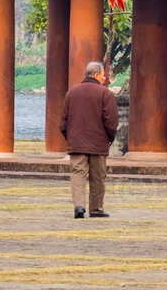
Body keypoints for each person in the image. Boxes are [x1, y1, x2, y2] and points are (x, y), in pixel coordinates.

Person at [59, 59, 119, 219]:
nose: (105, 78)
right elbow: (111, 120)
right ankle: (96, 208)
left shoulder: (72, 92)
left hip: (76, 143)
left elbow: (63, 121)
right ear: (96, 74)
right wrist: (109, 138)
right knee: (98, 177)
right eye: (103, 75)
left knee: (78, 174)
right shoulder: (105, 94)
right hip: (98, 143)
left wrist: (70, 137)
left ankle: (79, 206)